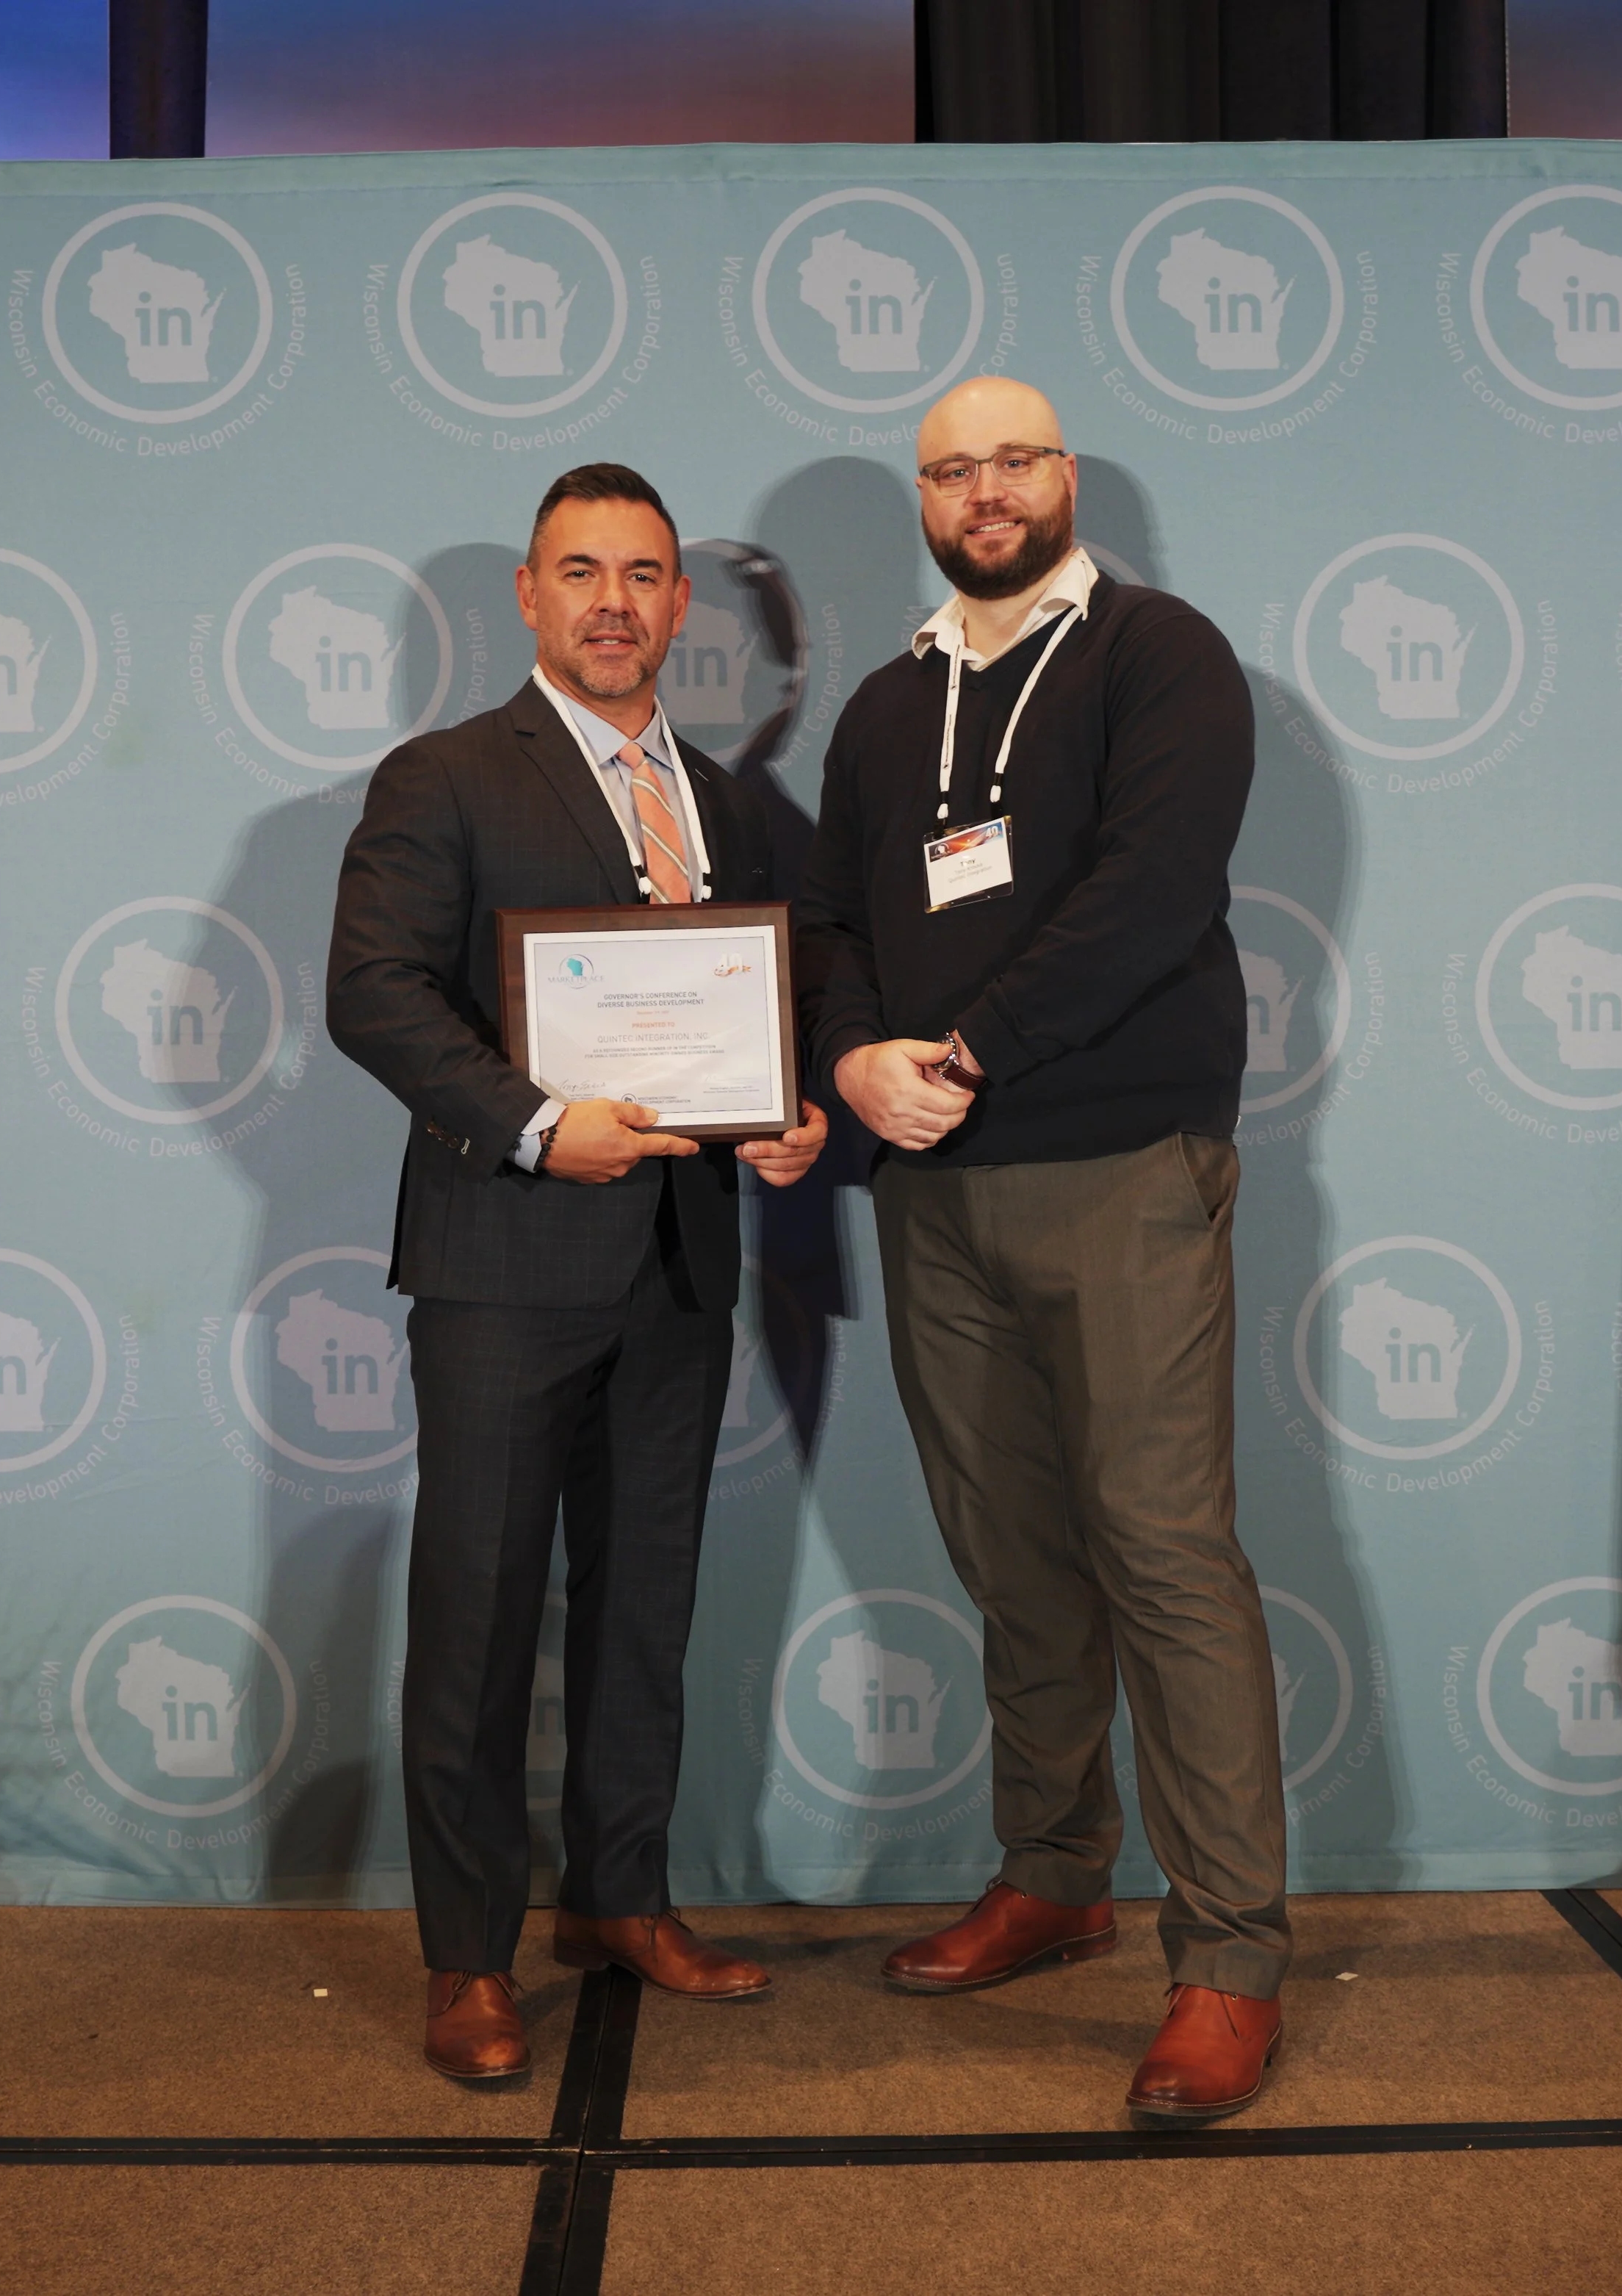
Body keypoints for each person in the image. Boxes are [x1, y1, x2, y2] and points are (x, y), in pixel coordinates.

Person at [793, 379, 1289, 2124]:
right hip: (931, 1186)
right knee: (1011, 1551)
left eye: (1012, 461)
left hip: (1120, 1166)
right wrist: (852, 1060)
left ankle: (1227, 1959)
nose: (982, 491)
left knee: (1162, 1551)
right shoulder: (883, 705)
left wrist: (962, 1049)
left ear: (1063, 476)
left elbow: (1150, 892)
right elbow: (834, 919)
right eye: (950, 469)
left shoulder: (1161, 656)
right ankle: (1055, 1872)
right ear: (922, 497)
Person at [328, 464, 826, 2082]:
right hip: (503, 1261)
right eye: (581, 571)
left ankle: (621, 1895)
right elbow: (373, 991)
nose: (613, 602)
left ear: (681, 605)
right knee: (476, 1612)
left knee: (644, 1601)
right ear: (529, 597)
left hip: (679, 1264)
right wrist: (541, 1125)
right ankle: (468, 1955)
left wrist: (785, 1113)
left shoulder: (724, 804)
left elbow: (749, 1013)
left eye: (643, 574)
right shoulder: (447, 775)